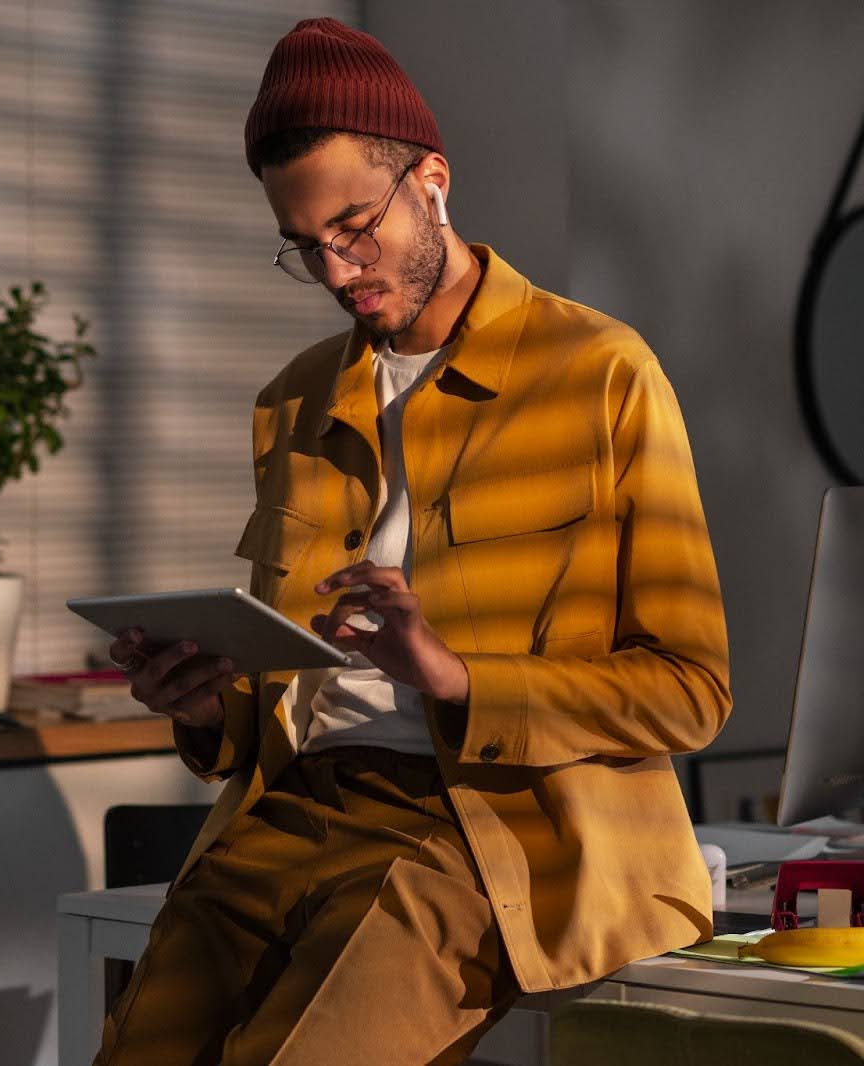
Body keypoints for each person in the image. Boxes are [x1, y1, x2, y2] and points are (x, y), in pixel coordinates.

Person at [95, 17, 732, 1066]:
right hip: (282, 817)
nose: (339, 270)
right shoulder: (292, 402)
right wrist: (210, 709)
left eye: (355, 227)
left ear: (430, 178)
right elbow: (279, 696)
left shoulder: (600, 373)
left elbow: (690, 689)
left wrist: (455, 675)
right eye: (305, 247)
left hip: (474, 832)